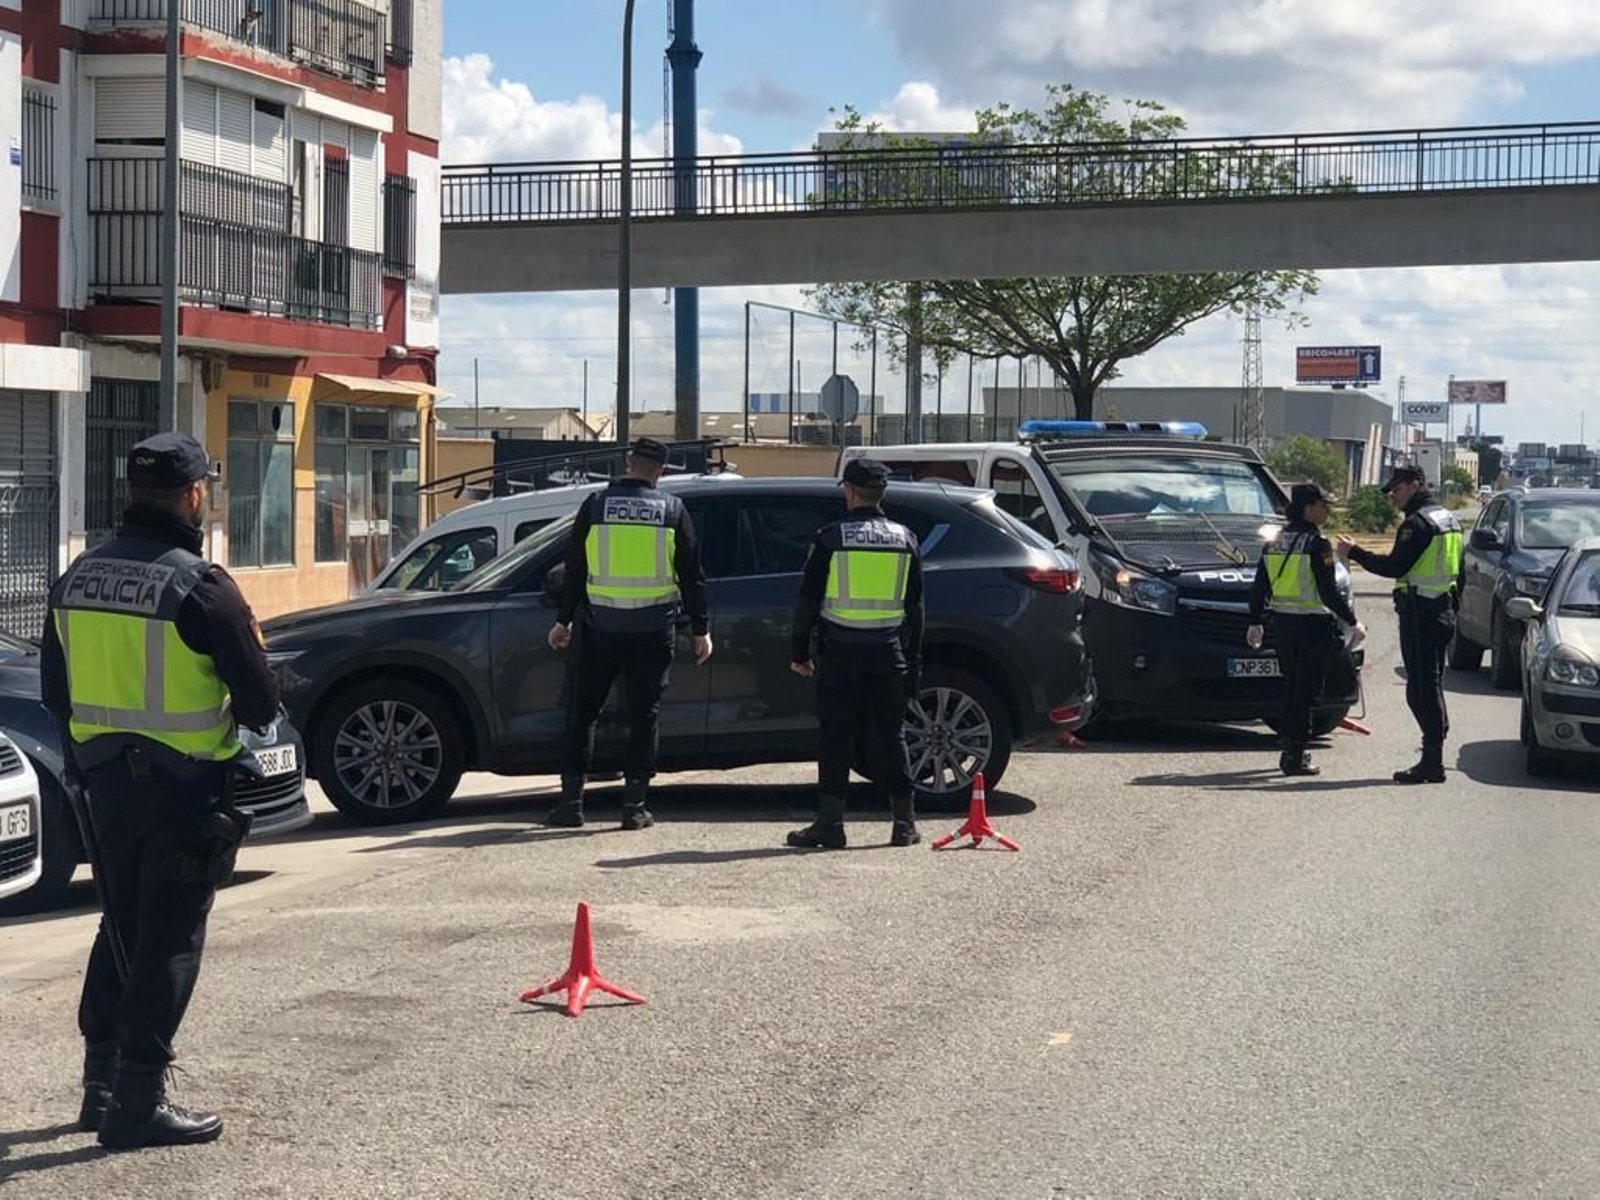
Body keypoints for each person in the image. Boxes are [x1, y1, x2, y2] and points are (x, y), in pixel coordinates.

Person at [41, 433, 279, 1150]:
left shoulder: (76, 577)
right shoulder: (200, 585)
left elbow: (57, 689)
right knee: (169, 942)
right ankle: (137, 1101)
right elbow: (261, 702)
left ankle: (100, 1083)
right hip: (185, 790)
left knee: (120, 928)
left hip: (104, 785)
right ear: (194, 494)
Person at [547, 437, 712, 829]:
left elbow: (574, 568)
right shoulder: (672, 509)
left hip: (601, 626)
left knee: (583, 712)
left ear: (628, 462)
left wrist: (562, 621)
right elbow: (692, 575)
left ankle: (571, 805)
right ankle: (634, 807)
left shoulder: (596, 505)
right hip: (653, 629)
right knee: (645, 716)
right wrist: (701, 629)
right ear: (660, 471)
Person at [787, 458, 925, 850]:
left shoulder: (831, 537)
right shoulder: (906, 538)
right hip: (888, 651)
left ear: (849, 491)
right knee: (892, 736)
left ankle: (830, 825)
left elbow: (808, 601)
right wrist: (914, 661)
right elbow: (916, 608)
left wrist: (799, 651)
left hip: (842, 653)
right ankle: (904, 823)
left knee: (836, 738)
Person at [1337, 464, 1464, 784]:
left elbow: (1394, 566)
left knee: (1422, 688)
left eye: (1397, 489)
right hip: (1440, 609)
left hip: (1421, 612)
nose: (1393, 495)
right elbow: (1460, 573)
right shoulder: (1448, 519)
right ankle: (1433, 754)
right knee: (1427, 685)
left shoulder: (1417, 524)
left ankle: (1432, 760)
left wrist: (1355, 552)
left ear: (1416, 484)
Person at [1247, 483, 1363, 776]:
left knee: (1292, 689)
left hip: (1283, 625)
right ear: (1308, 507)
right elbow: (1328, 591)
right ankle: (1295, 756)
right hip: (1313, 626)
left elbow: (1260, 585)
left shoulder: (1274, 541)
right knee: (1307, 693)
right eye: (1324, 506)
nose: (1328, 511)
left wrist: (1255, 620)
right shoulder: (1317, 544)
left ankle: (1290, 748)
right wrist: (1352, 621)